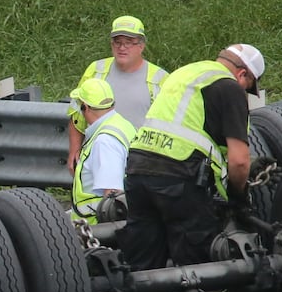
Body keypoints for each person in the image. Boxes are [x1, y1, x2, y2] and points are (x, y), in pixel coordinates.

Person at [119, 43, 265, 270]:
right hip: (178, 175)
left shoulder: (184, 74)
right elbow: (239, 160)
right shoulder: (230, 87)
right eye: (248, 87)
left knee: (142, 260)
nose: (245, 91)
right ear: (242, 74)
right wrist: (238, 197)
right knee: (198, 266)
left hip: (137, 167)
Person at [68, 16, 167, 172]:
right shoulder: (96, 70)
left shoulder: (160, 79)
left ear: (141, 46)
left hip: (140, 161)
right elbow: (76, 116)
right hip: (98, 157)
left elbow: (167, 127)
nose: (122, 48)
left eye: (129, 42)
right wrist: (74, 151)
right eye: (118, 42)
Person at [69, 77, 135, 223]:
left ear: (84, 107)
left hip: (97, 231)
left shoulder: (105, 142)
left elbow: (113, 200)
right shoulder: (122, 124)